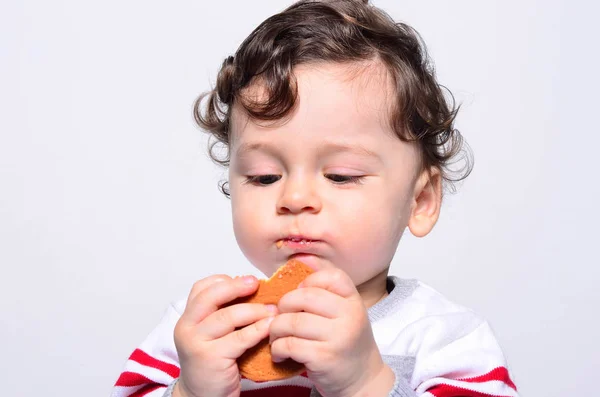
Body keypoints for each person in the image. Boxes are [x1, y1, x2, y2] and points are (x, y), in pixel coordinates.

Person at [111, 1, 518, 396]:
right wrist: (189, 391)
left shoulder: (444, 338)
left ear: (421, 201)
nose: (296, 197)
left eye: (341, 176)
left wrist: (366, 384)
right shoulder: (200, 328)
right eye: (264, 176)